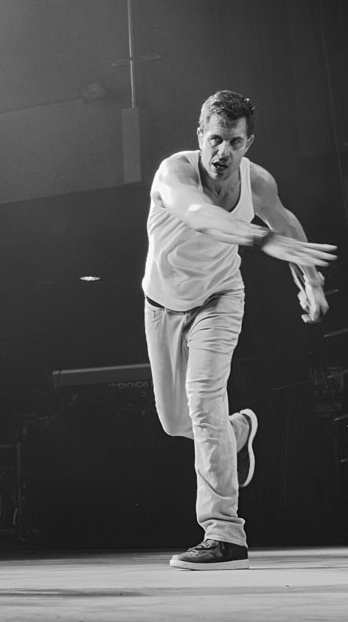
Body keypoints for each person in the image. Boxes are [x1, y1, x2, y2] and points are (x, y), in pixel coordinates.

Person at [142, 90, 336, 570]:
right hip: (163, 305)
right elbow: (199, 216)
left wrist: (311, 282)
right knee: (175, 421)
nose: (222, 152)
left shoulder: (257, 181)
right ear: (200, 136)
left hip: (220, 298)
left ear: (248, 143)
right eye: (215, 139)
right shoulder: (174, 172)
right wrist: (259, 238)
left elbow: (285, 224)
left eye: (233, 142)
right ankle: (238, 429)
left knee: (204, 401)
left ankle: (224, 534)